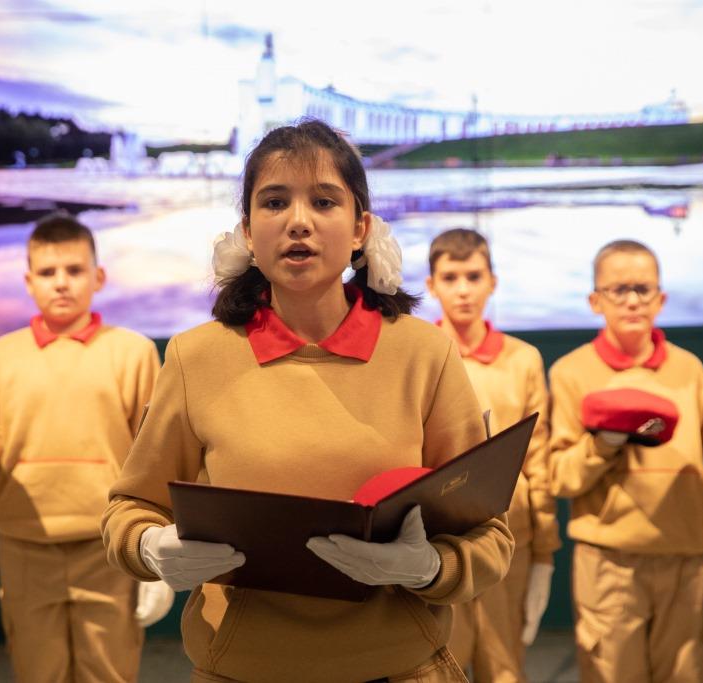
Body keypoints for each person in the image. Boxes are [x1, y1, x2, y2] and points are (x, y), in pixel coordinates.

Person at [101, 119, 514, 683]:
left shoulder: (424, 354)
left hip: (399, 668)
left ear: (360, 227)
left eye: (324, 201)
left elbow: (489, 533)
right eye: (275, 202)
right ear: (248, 232)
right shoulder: (195, 358)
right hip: (241, 670)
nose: (299, 222)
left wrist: (430, 567)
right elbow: (129, 508)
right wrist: (150, 546)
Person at [0, 213, 163, 681]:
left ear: (98, 277)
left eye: (74, 270)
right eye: (47, 272)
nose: (61, 282)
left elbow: (154, 459)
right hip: (25, 547)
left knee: (110, 672)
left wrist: (154, 549)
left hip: (108, 547)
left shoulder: (133, 353)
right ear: (28, 281)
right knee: (36, 671)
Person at [548, 239, 703, 683]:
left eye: (643, 288)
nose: (632, 300)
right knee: (612, 672)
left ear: (661, 298)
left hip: (686, 557)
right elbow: (561, 476)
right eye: (618, 289)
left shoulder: (690, 370)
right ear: (595, 300)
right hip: (609, 563)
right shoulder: (571, 373)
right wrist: (603, 445)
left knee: (686, 672)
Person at [426, 229, 558, 682]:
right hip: (439, 538)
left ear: (492, 282)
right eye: (451, 277)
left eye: (474, 276)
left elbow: (538, 459)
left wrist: (545, 554)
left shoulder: (522, 360)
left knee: (504, 669)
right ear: (432, 285)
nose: (463, 290)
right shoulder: (422, 355)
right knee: (438, 667)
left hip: (511, 535)